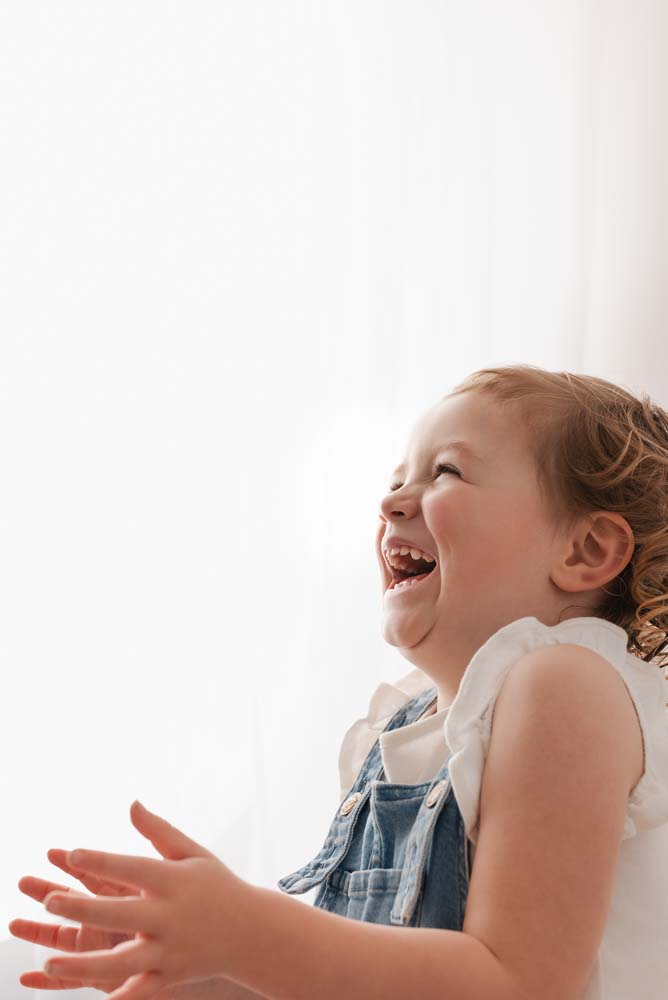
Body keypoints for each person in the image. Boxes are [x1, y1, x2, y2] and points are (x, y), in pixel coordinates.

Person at [9, 364, 668, 1000]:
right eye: (395, 479)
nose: (388, 502)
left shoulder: (566, 683)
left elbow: (515, 984)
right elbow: (374, 979)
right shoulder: (402, 729)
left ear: (583, 552)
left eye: (446, 472)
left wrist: (249, 934)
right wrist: (203, 967)